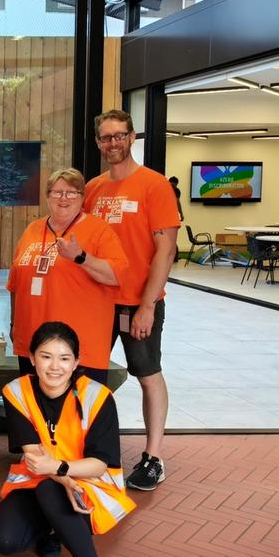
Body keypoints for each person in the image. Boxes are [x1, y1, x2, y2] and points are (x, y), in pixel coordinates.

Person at [0, 322, 134, 557]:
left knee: (49, 489)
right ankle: (52, 528)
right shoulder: (17, 391)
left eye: (64, 358)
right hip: (41, 480)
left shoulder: (97, 397)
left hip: (90, 485)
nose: (55, 366)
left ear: (76, 362)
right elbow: (33, 455)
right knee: (4, 540)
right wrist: (62, 478)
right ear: (31, 358)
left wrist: (63, 473)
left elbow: (98, 465)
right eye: (46, 356)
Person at [83, 110, 181, 491]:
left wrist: (147, 304)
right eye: (105, 138)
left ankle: (153, 457)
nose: (112, 143)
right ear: (98, 142)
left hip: (138, 302)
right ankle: (94, 452)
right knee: (89, 379)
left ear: (132, 137)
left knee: (147, 374)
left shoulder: (154, 186)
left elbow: (166, 250)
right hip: (98, 303)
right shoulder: (92, 189)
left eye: (119, 136)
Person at [8, 168, 129, 384]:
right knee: (34, 412)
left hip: (77, 349)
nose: (63, 198)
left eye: (71, 193)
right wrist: (13, 325)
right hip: (33, 345)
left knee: (76, 414)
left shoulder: (99, 231)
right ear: (47, 196)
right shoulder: (32, 230)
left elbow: (116, 276)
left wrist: (81, 257)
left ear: (82, 198)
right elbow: (16, 285)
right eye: (57, 192)